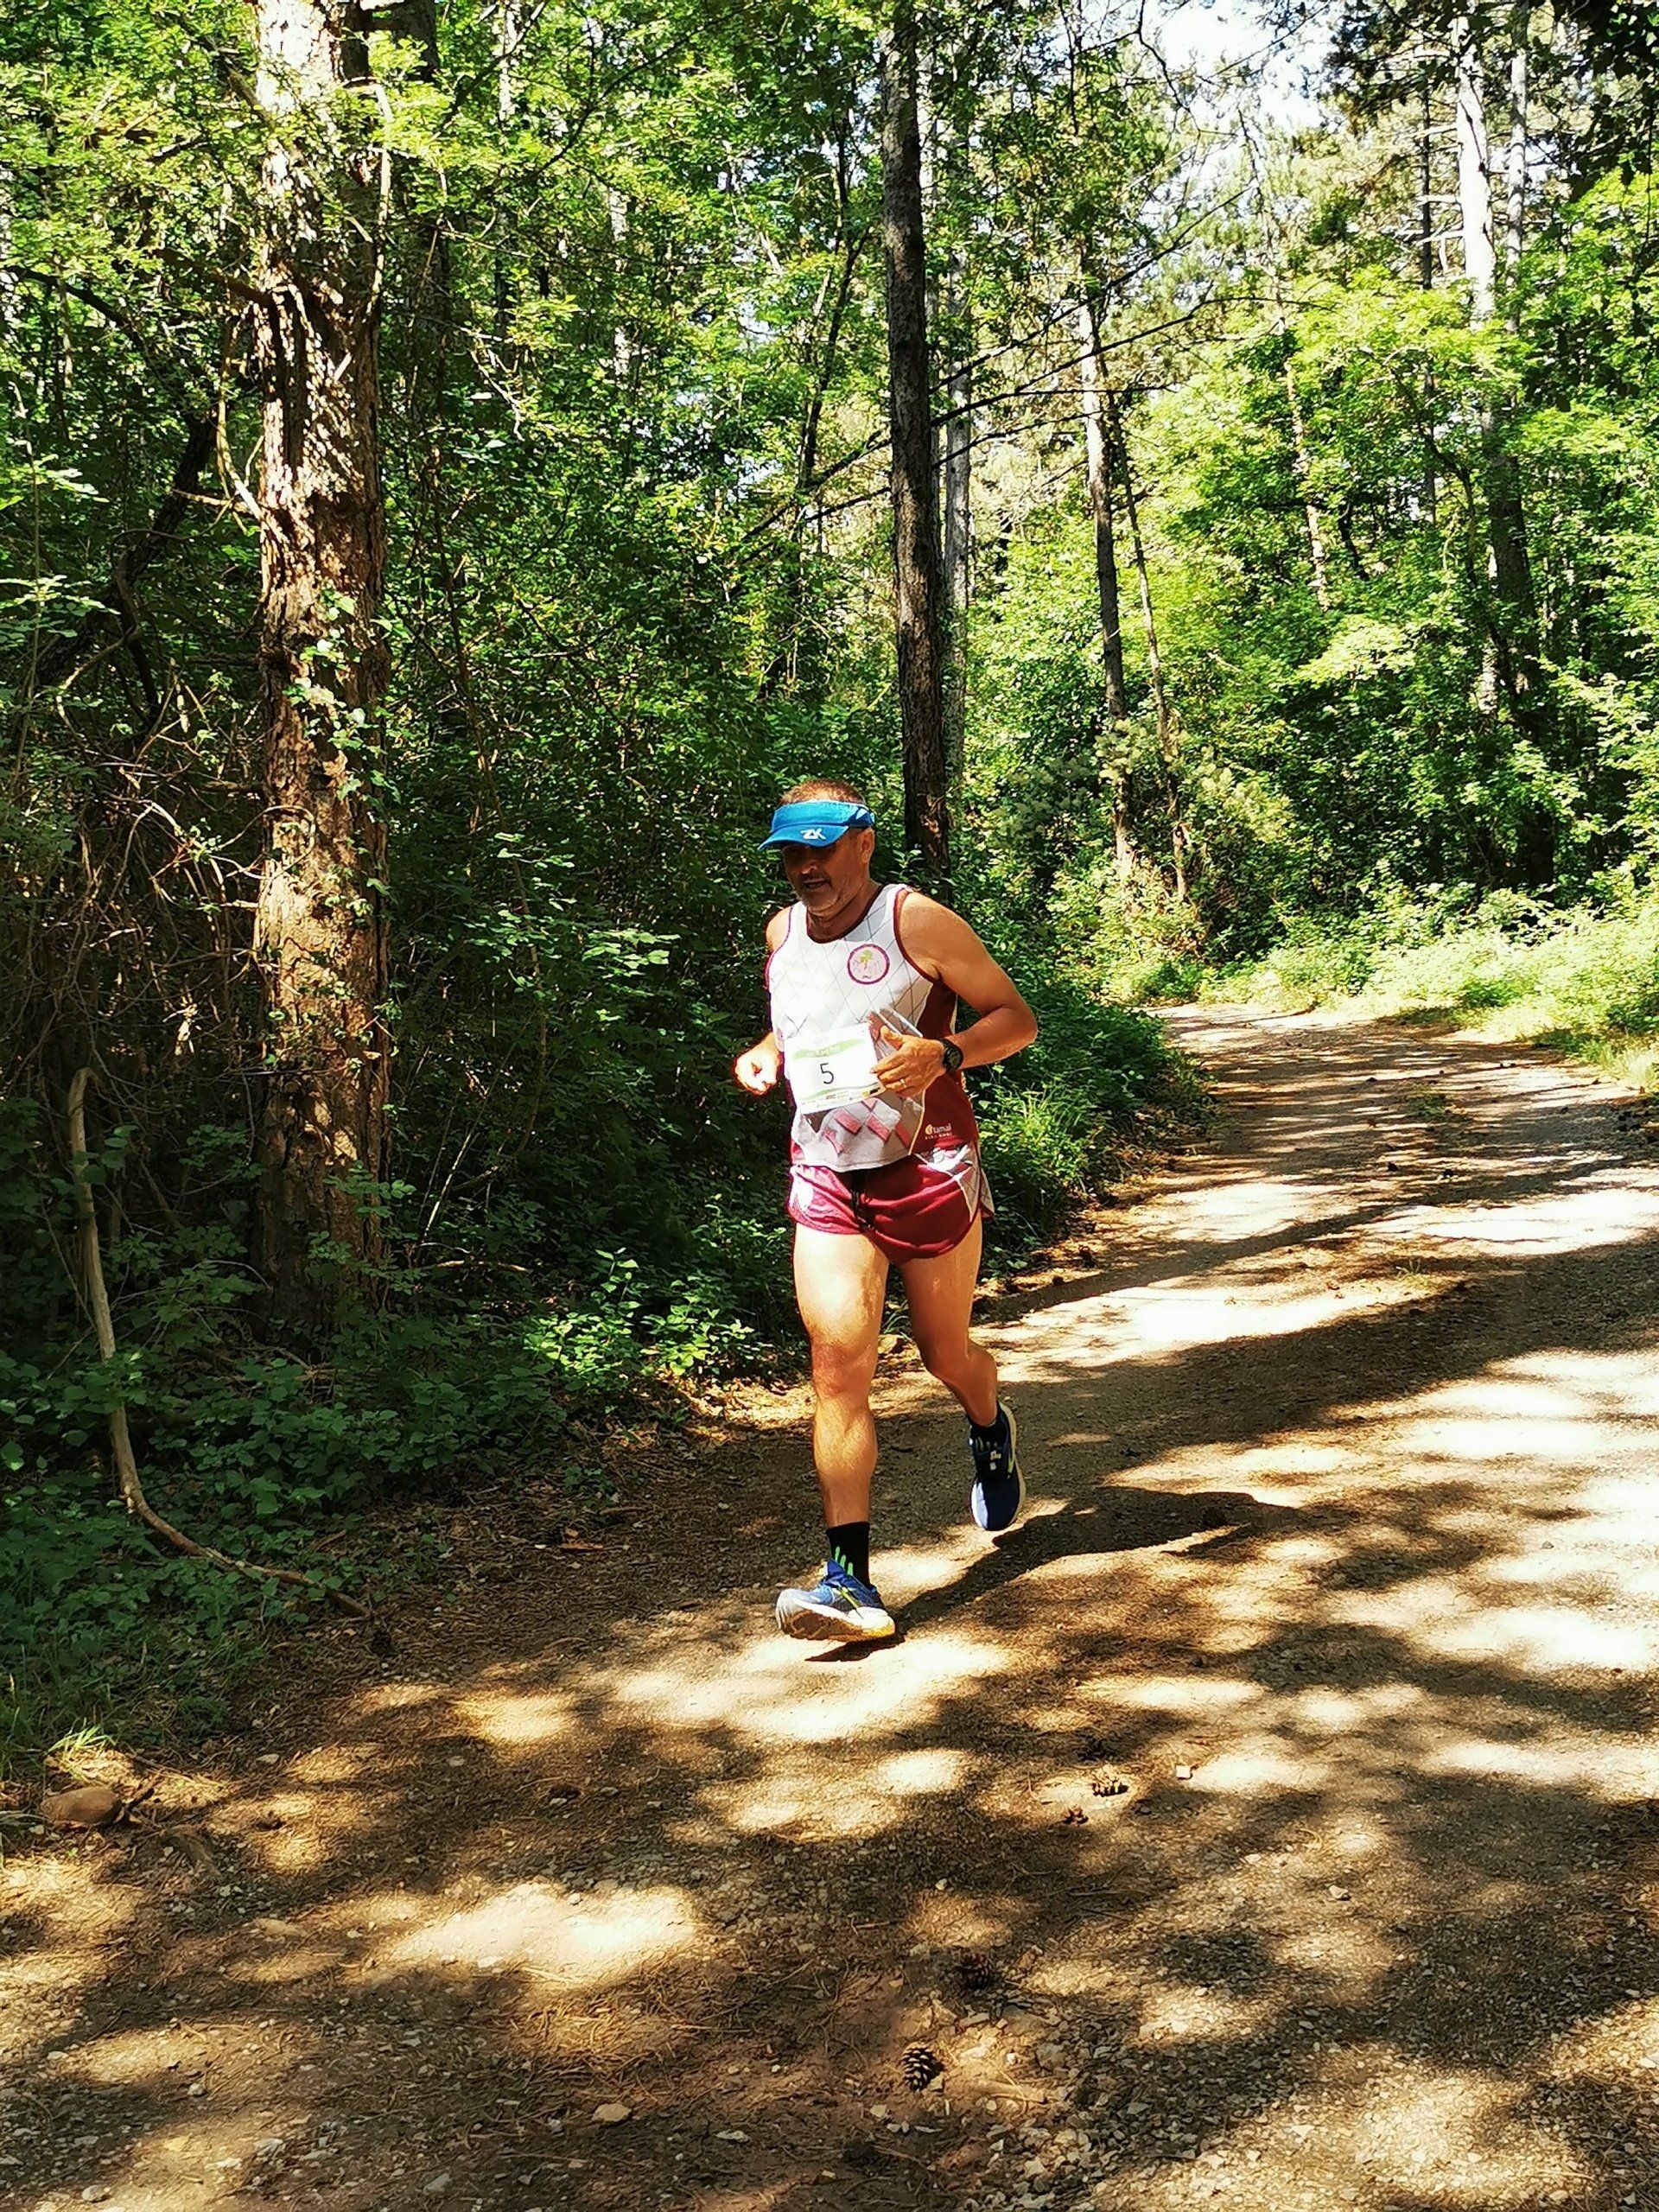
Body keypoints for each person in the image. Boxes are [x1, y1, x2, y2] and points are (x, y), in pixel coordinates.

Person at [734, 779, 1039, 1643]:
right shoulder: (783, 933)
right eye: (792, 855)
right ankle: (848, 1581)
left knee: (946, 1354)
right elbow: (806, 1021)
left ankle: (989, 1421)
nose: (807, 869)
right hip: (828, 1170)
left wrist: (946, 1053)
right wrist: (767, 1052)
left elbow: (1016, 1019)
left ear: (863, 842)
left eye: (822, 849)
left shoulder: (916, 922)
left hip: (927, 1162)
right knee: (837, 1365)